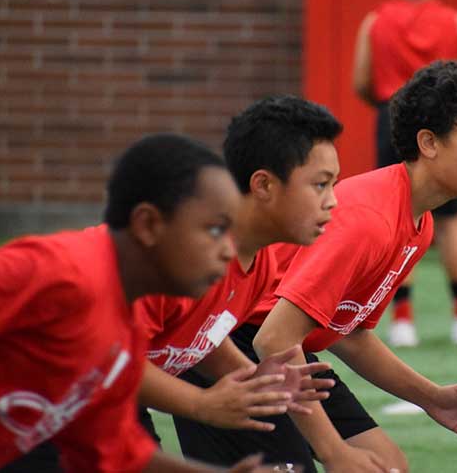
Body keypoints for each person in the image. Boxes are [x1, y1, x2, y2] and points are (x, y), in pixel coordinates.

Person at [173, 61, 457, 473]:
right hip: (231, 343)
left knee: (387, 467)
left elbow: (349, 335)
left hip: (285, 352)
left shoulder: (418, 224)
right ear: (429, 142)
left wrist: (430, 397)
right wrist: (333, 451)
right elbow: (274, 338)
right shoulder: (368, 217)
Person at [0, 134, 276, 472]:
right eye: (215, 230)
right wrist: (202, 404)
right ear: (148, 225)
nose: (228, 251)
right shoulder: (60, 272)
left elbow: (120, 452)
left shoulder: (126, 333)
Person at [133, 96, 341, 442]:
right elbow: (106, 357)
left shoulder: (260, 264)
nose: (333, 200)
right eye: (320, 184)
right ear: (263, 185)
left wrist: (255, 378)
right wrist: (201, 404)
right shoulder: (179, 255)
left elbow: (201, 337)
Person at [352, 0, 457, 347]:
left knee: (397, 219)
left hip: (393, 120)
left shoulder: (375, 22)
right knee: (448, 223)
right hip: (445, 126)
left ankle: (402, 319)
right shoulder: (456, 23)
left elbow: (362, 81)